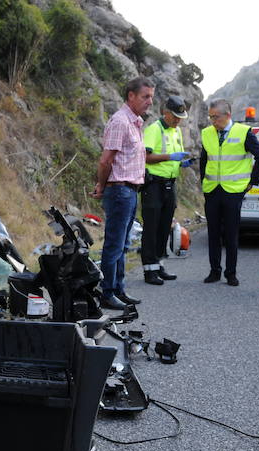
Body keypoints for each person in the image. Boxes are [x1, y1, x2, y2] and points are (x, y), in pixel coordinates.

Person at [92, 77, 154, 309]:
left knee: (123, 245)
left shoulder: (135, 123)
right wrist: (101, 185)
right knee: (114, 245)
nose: (149, 102)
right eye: (145, 96)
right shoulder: (120, 122)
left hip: (130, 191)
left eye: (151, 97)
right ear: (130, 96)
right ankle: (107, 293)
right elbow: (105, 160)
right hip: (119, 190)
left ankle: (118, 288)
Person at [199, 99, 259, 286]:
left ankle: (231, 273)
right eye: (210, 117)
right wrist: (203, 180)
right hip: (212, 191)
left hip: (233, 192)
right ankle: (214, 271)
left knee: (230, 234)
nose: (212, 121)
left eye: (216, 117)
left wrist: (253, 181)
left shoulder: (243, 132)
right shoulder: (207, 133)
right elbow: (204, 160)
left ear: (227, 115)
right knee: (213, 233)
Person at [140, 95, 193, 285]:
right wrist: (171, 156)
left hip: (170, 184)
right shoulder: (154, 129)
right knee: (151, 227)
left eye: (181, 117)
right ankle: (149, 270)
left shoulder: (176, 131)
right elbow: (146, 157)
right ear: (165, 112)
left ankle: (159, 265)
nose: (178, 120)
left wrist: (182, 162)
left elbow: (174, 158)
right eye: (175, 116)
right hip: (154, 184)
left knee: (164, 227)